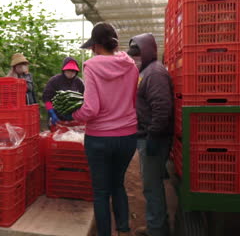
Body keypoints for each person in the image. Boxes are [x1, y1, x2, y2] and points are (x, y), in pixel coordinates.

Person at [71, 22, 139, 236]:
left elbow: (91, 109)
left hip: (100, 138)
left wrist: (74, 115)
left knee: (101, 192)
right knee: (118, 185)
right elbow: (133, 100)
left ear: (95, 46)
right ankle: (124, 230)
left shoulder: (91, 66)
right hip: (128, 136)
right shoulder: (131, 65)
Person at [128, 33, 174, 236]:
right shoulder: (145, 71)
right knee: (151, 186)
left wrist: (154, 135)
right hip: (147, 136)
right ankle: (156, 226)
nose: (135, 57)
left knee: (152, 187)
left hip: (153, 138)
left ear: (147, 51)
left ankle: (157, 231)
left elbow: (162, 107)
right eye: (133, 54)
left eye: (137, 53)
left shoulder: (154, 73)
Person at [42, 56, 85, 126]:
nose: (71, 72)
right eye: (68, 70)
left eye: (73, 70)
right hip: (56, 116)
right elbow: (46, 97)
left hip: (73, 117)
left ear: (76, 71)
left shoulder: (79, 82)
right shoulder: (54, 80)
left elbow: (84, 98)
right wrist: (51, 111)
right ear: (63, 70)